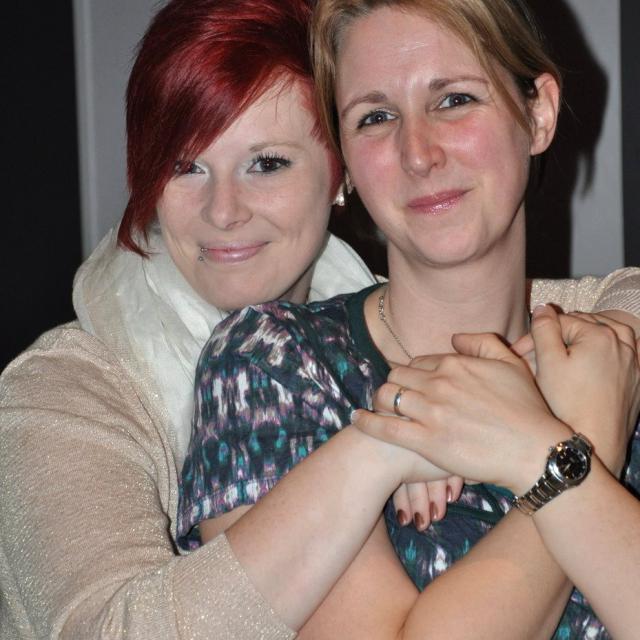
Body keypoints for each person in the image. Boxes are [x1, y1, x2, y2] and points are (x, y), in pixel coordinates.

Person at [1, 0, 639, 638]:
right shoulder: (254, 367)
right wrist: (571, 443)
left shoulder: (600, 347)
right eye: (376, 117)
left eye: (455, 100)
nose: (224, 212)